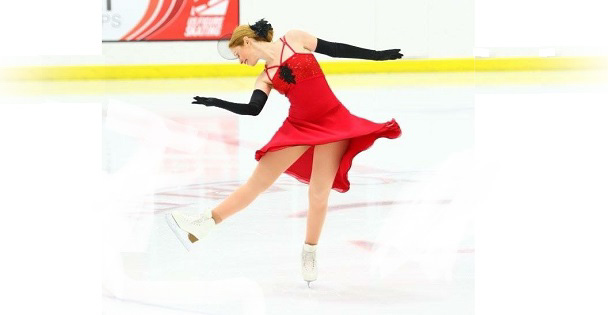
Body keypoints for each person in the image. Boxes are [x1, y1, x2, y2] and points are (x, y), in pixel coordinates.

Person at [166, 18, 403, 287]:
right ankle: (203, 223)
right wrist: (216, 102)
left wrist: (377, 56)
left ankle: (310, 251)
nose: (239, 60)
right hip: (299, 128)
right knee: (257, 183)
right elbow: (253, 109)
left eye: (237, 55)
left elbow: (334, 49)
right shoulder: (265, 76)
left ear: (246, 41)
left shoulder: (295, 38)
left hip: (333, 121)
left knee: (318, 192)